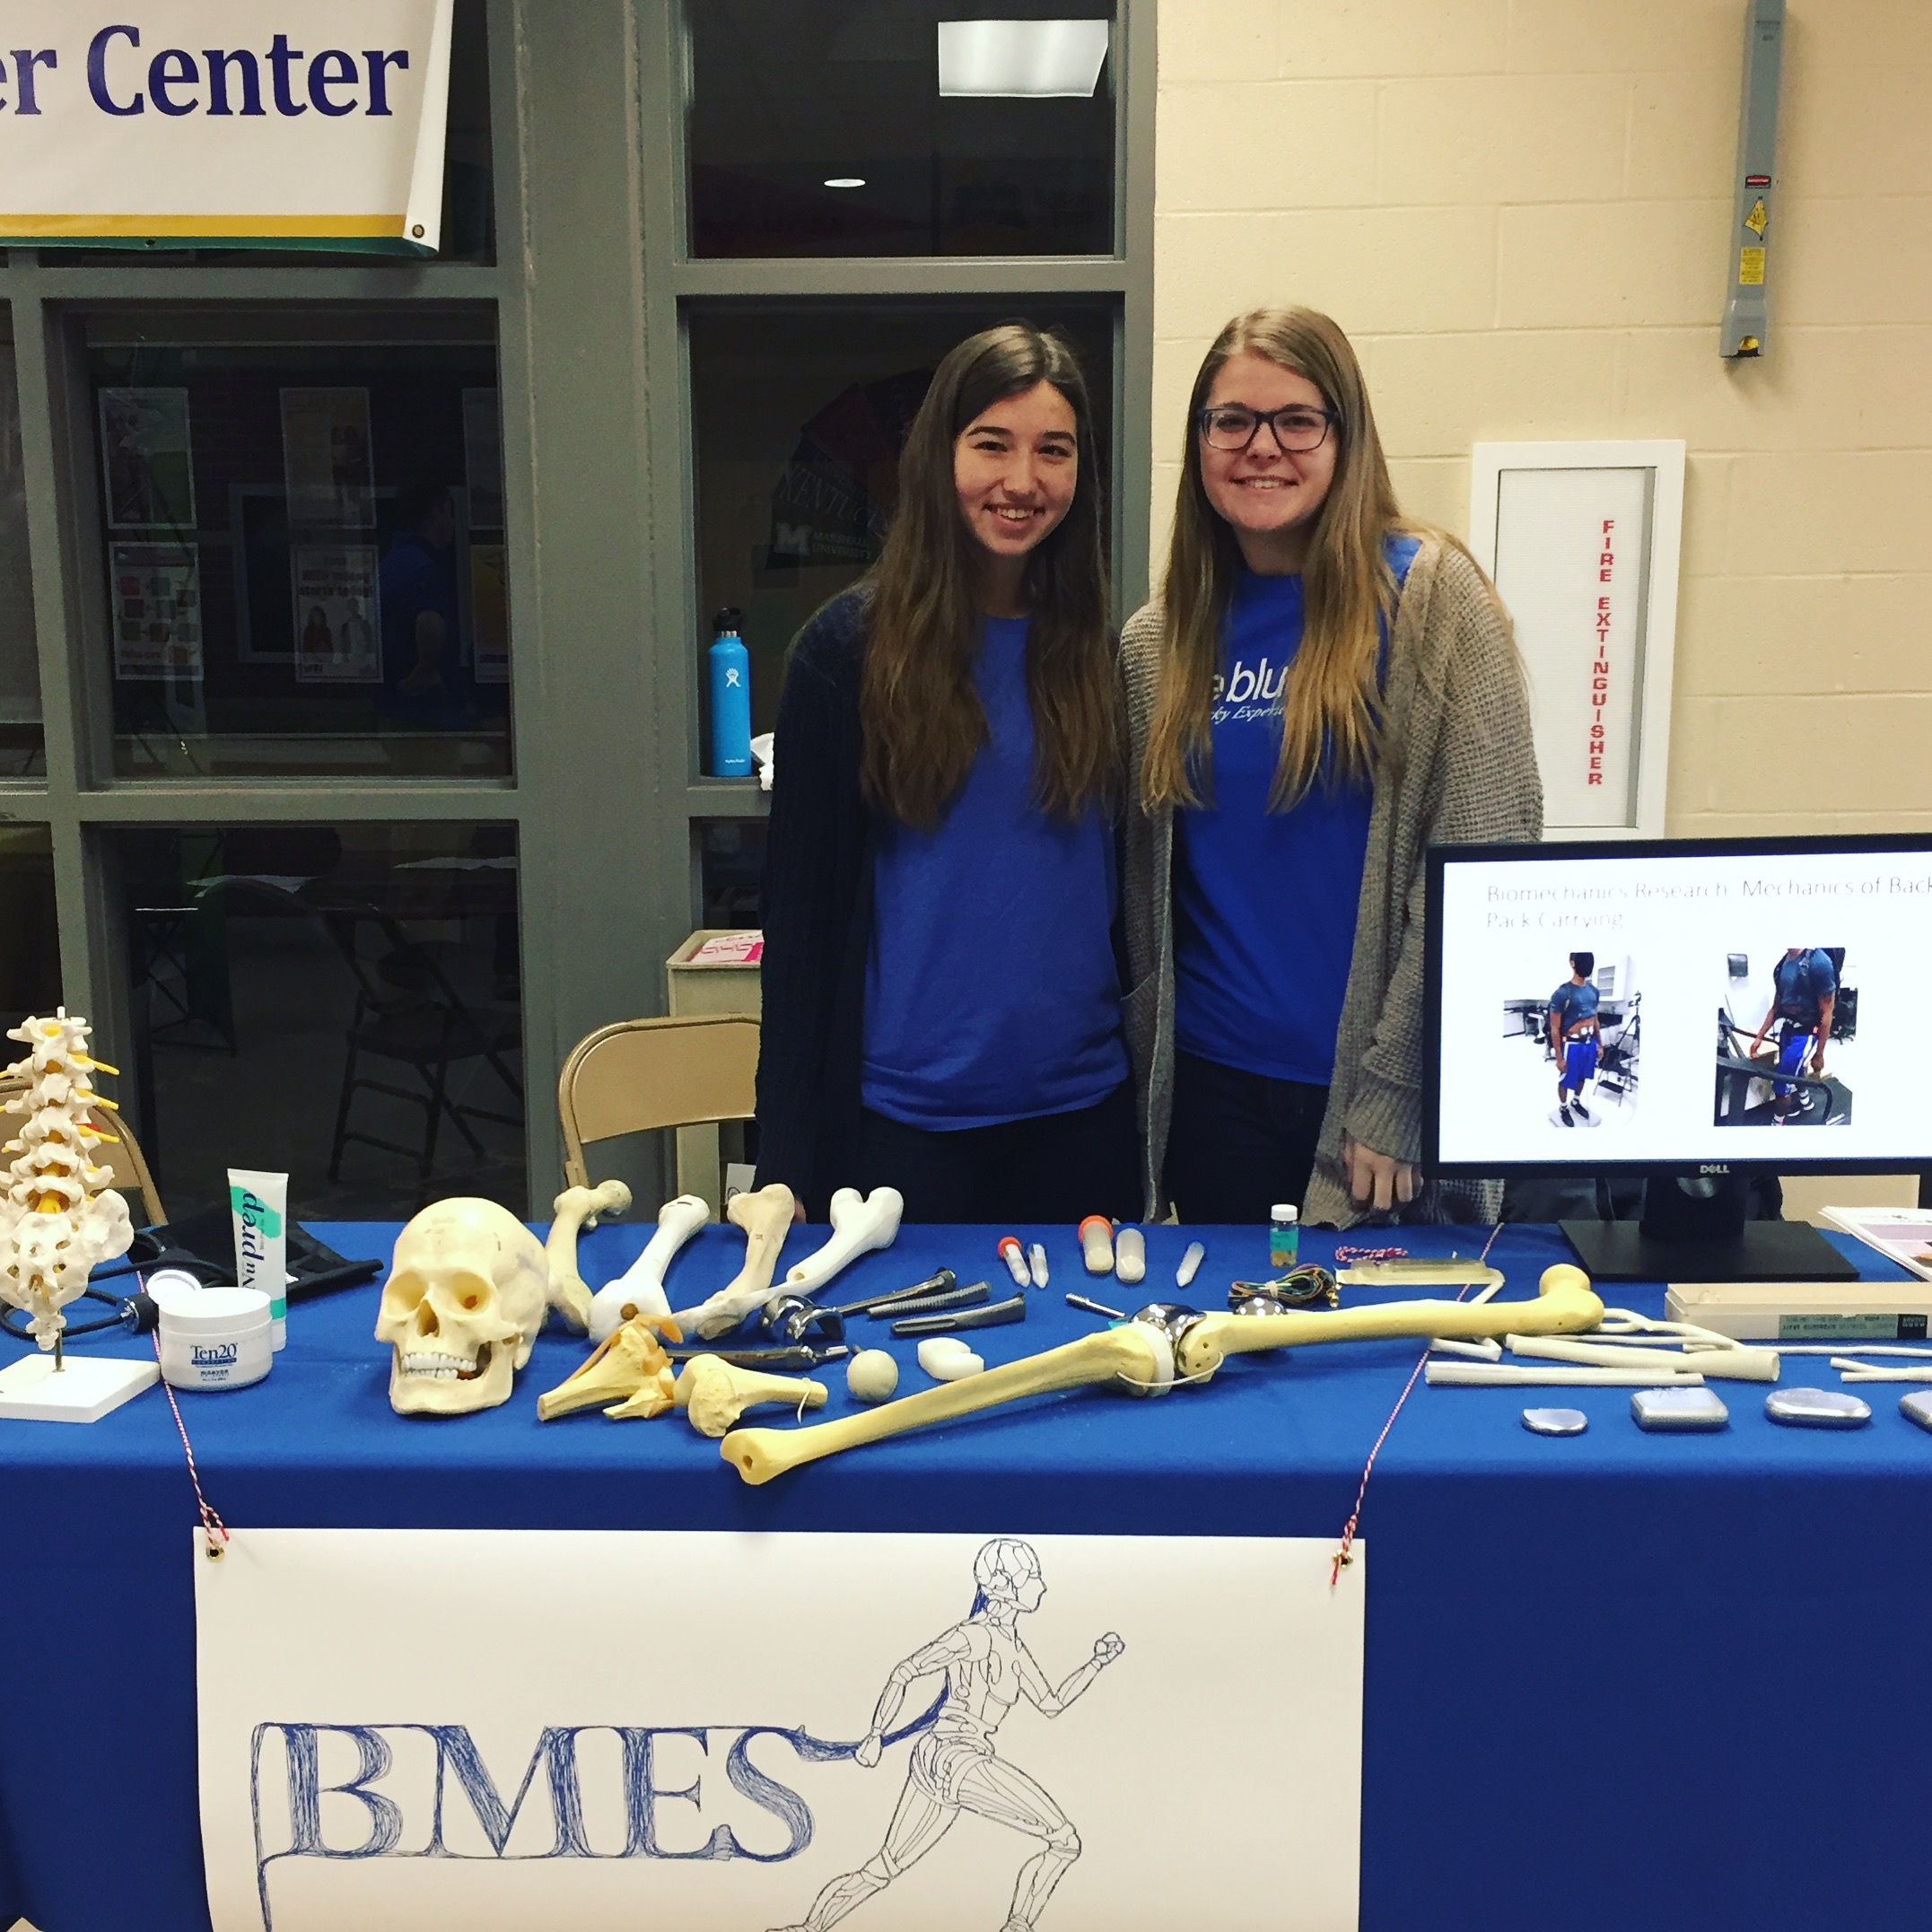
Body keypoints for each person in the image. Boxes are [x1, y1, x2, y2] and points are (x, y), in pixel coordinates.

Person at [1122, 307, 1541, 1228]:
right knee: (1239, 1361)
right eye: (1229, 420)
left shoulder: (1430, 600)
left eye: (1295, 420)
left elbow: (1483, 865)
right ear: (1197, 441)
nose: (1259, 446)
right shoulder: (1160, 643)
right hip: (1212, 1092)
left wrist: (1397, 1090)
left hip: (1368, 1103)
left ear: (1344, 435)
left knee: (1382, 1361)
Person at [755, 324, 1137, 1224]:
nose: (1022, 480)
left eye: (1053, 450)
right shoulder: (844, 652)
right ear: (937, 456)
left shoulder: (1108, 656)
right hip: (901, 1133)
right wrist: (784, 1163)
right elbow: (801, 930)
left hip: (1081, 1122)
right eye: (990, 444)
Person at [771, 1539, 1123, 1932]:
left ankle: (808, 1929)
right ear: (1004, 1586)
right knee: (1064, 1841)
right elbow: (906, 1670)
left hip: (938, 1760)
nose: (1041, 1586)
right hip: (960, 1759)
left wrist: (1096, 1662)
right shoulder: (976, 1636)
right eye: (1032, 1577)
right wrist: (875, 1734)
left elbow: (1052, 1704)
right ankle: (1018, 1925)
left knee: (884, 1866)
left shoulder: (1014, 1649)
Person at [377, 483, 471, 730]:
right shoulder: (422, 568)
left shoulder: (392, 562)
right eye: (449, 513)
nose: (453, 523)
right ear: (434, 513)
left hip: (391, 705)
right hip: (422, 711)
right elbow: (430, 622)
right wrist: (426, 669)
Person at [1750, 947, 1837, 1121]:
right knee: (1794, 1071)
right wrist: (1759, 1036)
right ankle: (1806, 1102)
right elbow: (1776, 1008)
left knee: (1781, 1084)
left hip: (1805, 1034)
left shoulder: (1819, 962)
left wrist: (1819, 1054)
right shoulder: (1782, 965)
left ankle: (1777, 1122)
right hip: (1787, 1031)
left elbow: (1827, 1014)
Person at [1547, 951, 1601, 1126]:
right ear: (1572, 963)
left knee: (1582, 1076)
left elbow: (1595, 1019)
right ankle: (1563, 1107)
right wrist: (1559, 1058)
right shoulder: (1563, 993)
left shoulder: (1593, 991)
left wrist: (1600, 1044)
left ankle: (1576, 1102)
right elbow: (1554, 1028)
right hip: (1571, 1045)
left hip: (1589, 1044)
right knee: (1566, 1078)